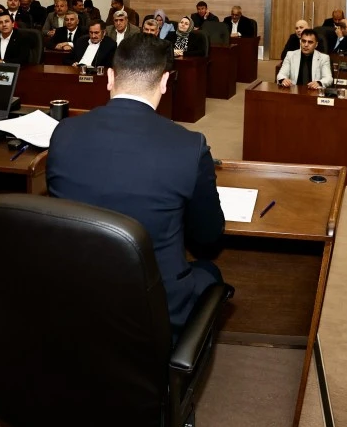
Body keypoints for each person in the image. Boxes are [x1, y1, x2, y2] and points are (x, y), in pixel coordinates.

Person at [47, 35, 224, 333]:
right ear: (165, 81)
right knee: (209, 271)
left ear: (110, 77)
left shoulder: (63, 132)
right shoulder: (189, 146)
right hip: (155, 310)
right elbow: (208, 235)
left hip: (76, 294)